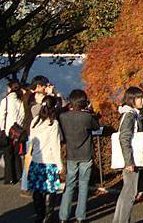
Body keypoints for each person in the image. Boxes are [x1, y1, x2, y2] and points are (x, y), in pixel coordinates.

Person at [58, 89, 100, 223]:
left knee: (69, 184)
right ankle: (80, 216)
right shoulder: (87, 117)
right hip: (85, 153)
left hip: (71, 153)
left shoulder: (64, 117)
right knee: (83, 185)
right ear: (84, 102)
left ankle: (63, 216)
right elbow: (96, 127)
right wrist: (91, 112)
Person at [27, 95, 64, 223]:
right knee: (50, 189)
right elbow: (55, 145)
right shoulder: (53, 123)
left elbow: (31, 141)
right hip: (49, 161)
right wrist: (59, 164)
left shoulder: (35, 121)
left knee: (37, 189)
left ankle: (39, 214)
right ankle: (48, 216)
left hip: (36, 160)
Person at [112, 87, 143, 223]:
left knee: (125, 192)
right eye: (139, 98)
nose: (142, 101)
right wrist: (129, 161)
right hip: (131, 159)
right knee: (130, 194)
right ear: (132, 99)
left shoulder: (130, 114)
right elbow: (124, 138)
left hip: (130, 159)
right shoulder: (130, 115)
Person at [0, 79, 26, 184]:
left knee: (8, 154)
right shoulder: (20, 101)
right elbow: (23, 116)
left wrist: (3, 129)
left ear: (10, 89)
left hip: (8, 130)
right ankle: (18, 175)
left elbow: (0, 116)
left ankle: (9, 177)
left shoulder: (6, 100)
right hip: (17, 131)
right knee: (17, 154)